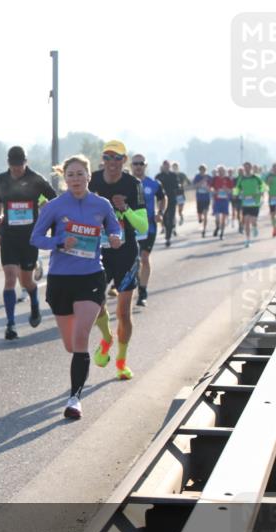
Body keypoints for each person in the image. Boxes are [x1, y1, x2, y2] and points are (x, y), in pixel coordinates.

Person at [31, 155, 122, 419]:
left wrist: (115, 238)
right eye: (70, 175)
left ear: (89, 176)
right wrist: (59, 242)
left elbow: (115, 230)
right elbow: (35, 238)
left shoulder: (101, 205)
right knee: (72, 346)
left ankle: (74, 399)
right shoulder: (55, 207)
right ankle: (92, 349)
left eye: (80, 174)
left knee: (81, 338)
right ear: (64, 178)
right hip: (60, 279)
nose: (75, 179)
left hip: (91, 277)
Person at [89, 141, 148, 380]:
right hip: (97, 251)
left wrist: (126, 209)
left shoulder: (133, 184)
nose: (112, 163)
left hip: (125, 253)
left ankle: (122, 362)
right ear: (102, 159)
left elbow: (143, 225)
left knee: (124, 312)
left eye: (117, 158)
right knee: (94, 304)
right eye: (108, 157)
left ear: (124, 161)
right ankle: (106, 338)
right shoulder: (91, 181)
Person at [0, 146, 56, 339]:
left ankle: (34, 302)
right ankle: (10, 325)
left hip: (30, 237)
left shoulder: (36, 179)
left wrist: (45, 214)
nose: (16, 170)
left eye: (19, 166)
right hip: (8, 235)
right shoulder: (2, 179)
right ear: (8, 163)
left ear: (25, 162)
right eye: (13, 166)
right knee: (10, 277)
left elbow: (54, 199)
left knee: (26, 280)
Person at [130, 154, 165, 307]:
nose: (138, 166)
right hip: (130, 227)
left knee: (144, 257)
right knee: (133, 260)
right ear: (131, 166)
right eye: (135, 163)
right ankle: (133, 282)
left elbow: (163, 198)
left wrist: (160, 212)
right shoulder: (126, 183)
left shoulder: (153, 183)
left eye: (141, 163)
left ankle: (142, 291)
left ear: (145, 165)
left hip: (149, 227)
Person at [235, 161, 266, 248]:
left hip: (255, 203)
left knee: (253, 221)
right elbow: (237, 189)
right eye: (245, 167)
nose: (247, 169)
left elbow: (264, 187)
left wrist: (259, 193)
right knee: (246, 222)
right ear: (244, 168)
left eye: (248, 167)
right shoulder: (241, 178)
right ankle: (247, 240)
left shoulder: (256, 178)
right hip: (245, 204)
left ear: (251, 168)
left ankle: (255, 227)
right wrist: (237, 194)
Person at [155, 160, 180, 247]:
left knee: (171, 217)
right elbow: (155, 188)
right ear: (163, 166)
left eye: (167, 165)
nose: (166, 167)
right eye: (165, 165)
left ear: (169, 166)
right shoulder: (158, 176)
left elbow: (177, 185)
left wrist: (176, 187)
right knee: (165, 218)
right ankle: (166, 229)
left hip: (172, 199)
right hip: (161, 200)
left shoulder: (173, 175)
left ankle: (168, 238)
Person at [210, 165, 234, 239]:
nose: (221, 172)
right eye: (219, 171)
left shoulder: (228, 179)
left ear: (225, 172)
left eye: (222, 171)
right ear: (218, 172)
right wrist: (214, 191)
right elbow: (210, 187)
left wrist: (226, 189)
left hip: (225, 200)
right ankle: (217, 227)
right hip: (217, 200)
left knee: (223, 217)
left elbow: (232, 190)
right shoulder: (215, 179)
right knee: (217, 217)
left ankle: (222, 233)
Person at [192, 164, 213, 236]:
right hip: (199, 198)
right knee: (199, 213)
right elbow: (194, 186)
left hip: (206, 198)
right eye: (201, 169)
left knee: (205, 214)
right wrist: (202, 181)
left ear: (205, 170)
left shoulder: (209, 177)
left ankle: (204, 229)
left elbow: (212, 187)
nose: (202, 171)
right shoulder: (197, 177)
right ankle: (200, 218)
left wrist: (209, 188)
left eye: (203, 169)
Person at [266, 163, 276, 236]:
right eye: (274, 168)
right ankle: (274, 228)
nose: (275, 169)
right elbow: (265, 186)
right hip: (272, 197)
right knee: (272, 214)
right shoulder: (269, 176)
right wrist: (268, 182)